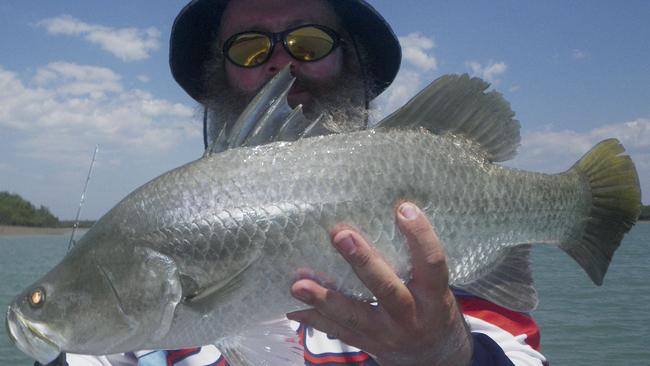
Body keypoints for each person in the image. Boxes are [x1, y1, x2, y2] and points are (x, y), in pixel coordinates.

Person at [37, 0, 547, 365]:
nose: (282, 61)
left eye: (309, 40)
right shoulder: (137, 274)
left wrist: (450, 355)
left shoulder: (438, 246)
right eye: (250, 47)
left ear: (351, 58)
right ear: (219, 71)